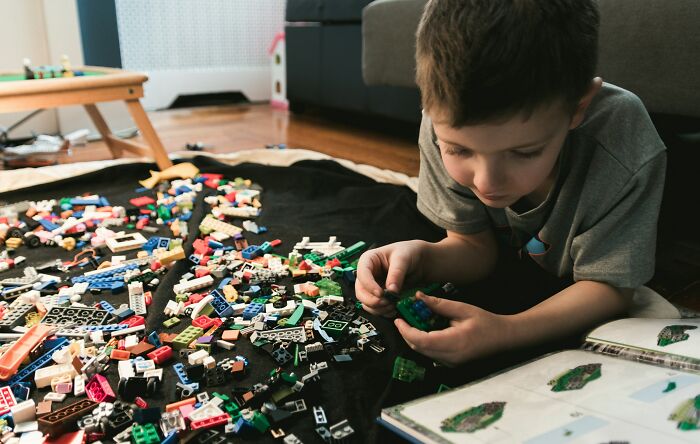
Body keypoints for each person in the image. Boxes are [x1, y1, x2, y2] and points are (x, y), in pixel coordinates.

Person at [355, 0, 666, 366]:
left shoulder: (624, 145)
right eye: (458, 149)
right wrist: (422, 257)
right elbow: (474, 247)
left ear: (578, 108)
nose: (487, 184)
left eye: (524, 153)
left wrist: (507, 331)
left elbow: (612, 288)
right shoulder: (441, 119)